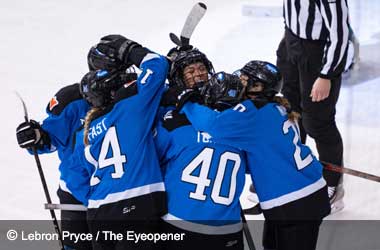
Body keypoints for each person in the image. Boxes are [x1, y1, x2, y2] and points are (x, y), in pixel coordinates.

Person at [179, 61, 331, 250]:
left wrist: (187, 102)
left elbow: (213, 125)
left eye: (246, 81)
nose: (240, 84)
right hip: (301, 195)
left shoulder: (252, 112)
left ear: (260, 88)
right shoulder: (277, 107)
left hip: (294, 202)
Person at [63, 34, 169, 250]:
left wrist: (95, 201)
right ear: (112, 91)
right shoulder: (130, 109)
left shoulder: (84, 132)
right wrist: (130, 50)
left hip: (99, 214)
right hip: (138, 207)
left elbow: (73, 176)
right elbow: (157, 67)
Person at [156, 65, 246, 250]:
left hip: (179, 222)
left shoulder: (177, 125)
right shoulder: (246, 132)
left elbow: (149, 160)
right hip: (228, 229)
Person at [276, 0, 350, 211]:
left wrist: (327, 75)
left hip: (318, 55)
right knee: (290, 110)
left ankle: (333, 184)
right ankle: (294, 169)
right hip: (292, 42)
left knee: (318, 123)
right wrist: (287, 42)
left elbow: (340, 34)